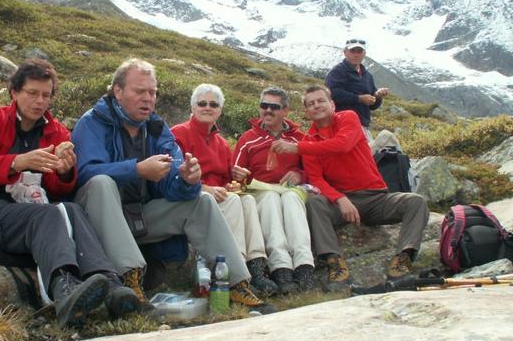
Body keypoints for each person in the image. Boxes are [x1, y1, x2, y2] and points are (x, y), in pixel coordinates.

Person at [72, 58, 273, 313]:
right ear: (118, 91)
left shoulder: (157, 128)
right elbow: (85, 173)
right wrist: (136, 169)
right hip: (96, 220)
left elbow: (173, 185)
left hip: (139, 217)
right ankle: (130, 279)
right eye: (139, 91)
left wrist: (187, 180)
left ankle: (235, 284)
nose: (148, 98)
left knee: (201, 201)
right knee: (101, 182)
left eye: (152, 92)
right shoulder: (92, 123)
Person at [0, 59, 140, 326]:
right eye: (32, 93)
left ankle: (111, 285)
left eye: (45, 95)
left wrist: (65, 172)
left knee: (72, 209)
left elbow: (57, 190)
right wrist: (18, 161)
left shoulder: (56, 131)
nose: (39, 101)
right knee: (47, 215)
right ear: (15, 93)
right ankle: (63, 290)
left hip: (33, 207)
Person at [271, 85, 429, 290]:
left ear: (332, 104)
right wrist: (340, 199)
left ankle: (403, 258)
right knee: (316, 203)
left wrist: (298, 147)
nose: (316, 106)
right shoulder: (309, 140)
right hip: (343, 203)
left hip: (376, 198)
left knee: (415, 202)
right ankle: (335, 265)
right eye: (311, 104)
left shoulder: (348, 118)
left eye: (321, 101)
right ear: (306, 112)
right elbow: (317, 180)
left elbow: (342, 144)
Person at [171, 84, 278, 296]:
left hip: (217, 198)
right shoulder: (178, 134)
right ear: (192, 107)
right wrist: (205, 188)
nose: (207, 108)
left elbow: (225, 180)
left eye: (213, 104)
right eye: (202, 103)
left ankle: (256, 266)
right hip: (191, 197)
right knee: (234, 201)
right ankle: (231, 270)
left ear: (220, 110)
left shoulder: (221, 143)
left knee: (246, 200)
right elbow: (173, 176)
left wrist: (232, 182)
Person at [231, 86, 316, 294]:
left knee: (290, 200)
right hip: (261, 190)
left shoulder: (299, 138)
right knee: (270, 199)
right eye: (264, 106)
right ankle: (281, 268)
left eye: (274, 107)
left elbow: (312, 170)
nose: (267, 111)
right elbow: (234, 171)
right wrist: (239, 175)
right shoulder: (247, 139)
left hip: (290, 189)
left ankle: (304, 267)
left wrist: (299, 175)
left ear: (286, 111)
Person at [325, 38, 389, 141]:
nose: (356, 55)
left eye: (359, 51)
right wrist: (358, 98)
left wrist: (378, 96)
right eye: (352, 51)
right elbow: (332, 94)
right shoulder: (337, 72)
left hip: (362, 125)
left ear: (364, 54)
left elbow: (372, 106)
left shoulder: (367, 76)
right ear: (345, 52)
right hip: (341, 124)